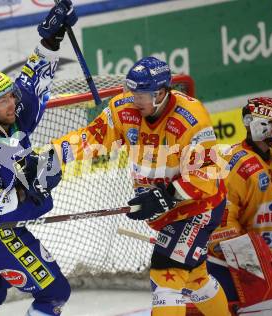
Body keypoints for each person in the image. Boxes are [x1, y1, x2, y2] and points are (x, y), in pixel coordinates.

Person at [53, 57, 230, 315]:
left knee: (164, 275)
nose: (135, 100)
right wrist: (51, 157)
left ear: (160, 93)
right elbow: (91, 137)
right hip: (167, 211)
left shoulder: (191, 118)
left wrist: (164, 196)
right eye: (132, 92)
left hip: (197, 209)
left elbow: (207, 176)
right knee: (195, 280)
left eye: (142, 95)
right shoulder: (124, 109)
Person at [0, 1, 77, 315]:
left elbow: (33, 79)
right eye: (1, 100)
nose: (11, 103)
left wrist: (52, 40)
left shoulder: (11, 113)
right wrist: (33, 194)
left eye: (9, 95)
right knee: (55, 293)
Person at [208, 97, 272, 308]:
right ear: (254, 122)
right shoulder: (235, 164)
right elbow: (222, 226)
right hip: (239, 270)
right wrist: (258, 267)